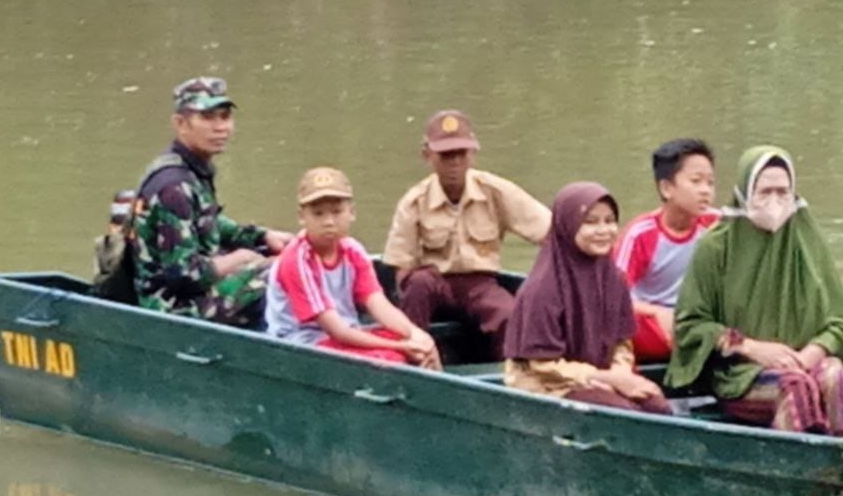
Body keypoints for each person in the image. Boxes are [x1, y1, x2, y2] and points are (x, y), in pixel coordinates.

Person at [665, 145, 843, 438]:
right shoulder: (716, 246)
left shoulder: (808, 242)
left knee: (836, 377)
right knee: (794, 386)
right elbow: (691, 325)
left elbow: (840, 323)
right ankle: (799, 464)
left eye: (783, 192)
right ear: (746, 192)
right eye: (765, 192)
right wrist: (752, 348)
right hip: (742, 374)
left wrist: (808, 355)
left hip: (805, 361)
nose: (774, 201)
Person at [382, 110, 550, 360]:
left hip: (479, 285)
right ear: (427, 155)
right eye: (446, 155)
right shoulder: (415, 201)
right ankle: (411, 362)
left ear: (473, 153)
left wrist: (544, 281)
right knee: (417, 285)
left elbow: (551, 232)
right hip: (433, 283)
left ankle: (509, 372)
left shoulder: (495, 191)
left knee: (509, 315)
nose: (455, 162)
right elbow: (402, 268)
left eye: (461, 153)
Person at [133, 76, 293, 327]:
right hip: (171, 308)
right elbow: (183, 275)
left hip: (192, 292)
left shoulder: (191, 169)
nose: (221, 127)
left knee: (282, 257)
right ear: (180, 124)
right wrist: (238, 259)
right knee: (278, 273)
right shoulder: (173, 187)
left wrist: (262, 236)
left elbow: (209, 221)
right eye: (208, 117)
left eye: (225, 116)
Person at [504, 182, 673, 415]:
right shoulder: (542, 288)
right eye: (591, 222)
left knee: (657, 406)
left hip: (602, 375)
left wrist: (621, 374)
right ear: (568, 226)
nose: (603, 230)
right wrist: (603, 378)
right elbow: (541, 365)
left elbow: (622, 342)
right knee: (624, 413)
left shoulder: (613, 278)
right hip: (549, 385)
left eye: (609, 221)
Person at [264, 168, 442, 369]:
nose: (328, 222)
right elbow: (336, 330)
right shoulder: (297, 260)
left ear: (352, 213)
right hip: (303, 343)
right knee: (390, 358)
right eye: (318, 214)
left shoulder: (353, 251)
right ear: (302, 217)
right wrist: (400, 346)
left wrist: (415, 335)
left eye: (336, 212)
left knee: (420, 347)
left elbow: (378, 304)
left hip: (345, 334)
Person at [613, 137, 719, 362]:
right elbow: (612, 296)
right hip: (652, 319)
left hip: (695, 316)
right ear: (667, 188)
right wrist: (656, 312)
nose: (706, 191)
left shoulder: (717, 225)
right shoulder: (640, 234)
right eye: (696, 181)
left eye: (710, 183)